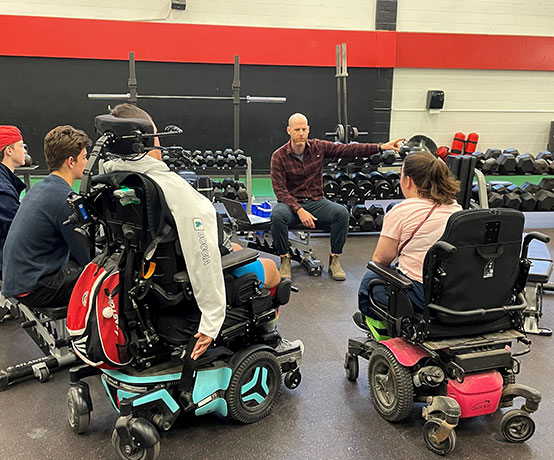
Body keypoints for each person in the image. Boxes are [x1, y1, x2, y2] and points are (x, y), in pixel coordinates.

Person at [104, 104, 300, 360]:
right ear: (145, 142)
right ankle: (271, 339)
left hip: (148, 284)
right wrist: (211, 321)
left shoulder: (114, 177)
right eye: (154, 135)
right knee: (273, 272)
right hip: (181, 286)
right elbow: (203, 257)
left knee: (237, 250)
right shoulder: (169, 188)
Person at [270, 112, 404, 281]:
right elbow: (280, 191)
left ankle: (334, 259)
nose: (301, 133)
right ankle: (285, 259)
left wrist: (380, 147)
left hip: (316, 201)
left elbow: (348, 149)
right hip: (291, 204)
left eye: (304, 129)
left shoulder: (318, 147)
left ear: (308, 129)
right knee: (277, 216)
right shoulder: (279, 156)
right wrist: (299, 210)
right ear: (289, 130)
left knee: (341, 213)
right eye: (297, 129)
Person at [355, 150, 462, 337]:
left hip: (424, 295)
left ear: (408, 180)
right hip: (455, 291)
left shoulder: (401, 210)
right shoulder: (456, 208)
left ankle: (382, 329)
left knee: (371, 278)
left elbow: (381, 259)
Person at [1, 125, 92, 309]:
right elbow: (88, 257)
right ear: (71, 162)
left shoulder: (40, 188)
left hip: (18, 279)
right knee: (109, 280)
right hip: (36, 288)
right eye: (84, 157)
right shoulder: (66, 199)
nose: (87, 161)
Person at [0, 126, 27, 278]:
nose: (24, 151)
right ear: (8, 151)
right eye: (21, 146)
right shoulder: (3, 190)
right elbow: (17, 232)